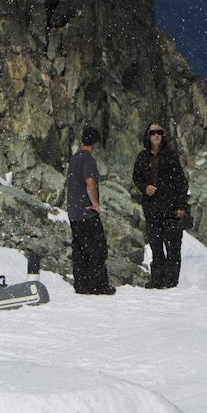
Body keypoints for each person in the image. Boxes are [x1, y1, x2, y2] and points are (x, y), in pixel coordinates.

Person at [132, 122, 189, 289]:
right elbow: (136, 176)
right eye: (152, 132)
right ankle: (157, 280)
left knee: (173, 248)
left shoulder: (170, 156)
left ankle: (171, 282)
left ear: (163, 135)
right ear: (148, 136)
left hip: (171, 210)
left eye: (159, 132)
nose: (156, 135)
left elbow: (181, 182)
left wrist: (180, 205)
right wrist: (145, 187)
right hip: (152, 210)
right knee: (156, 246)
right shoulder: (142, 157)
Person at [66, 124, 114, 295]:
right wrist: (95, 204)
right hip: (86, 211)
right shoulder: (88, 159)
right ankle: (98, 285)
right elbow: (90, 183)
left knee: (80, 249)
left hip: (74, 212)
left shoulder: (74, 158)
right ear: (96, 142)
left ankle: (81, 284)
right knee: (97, 249)